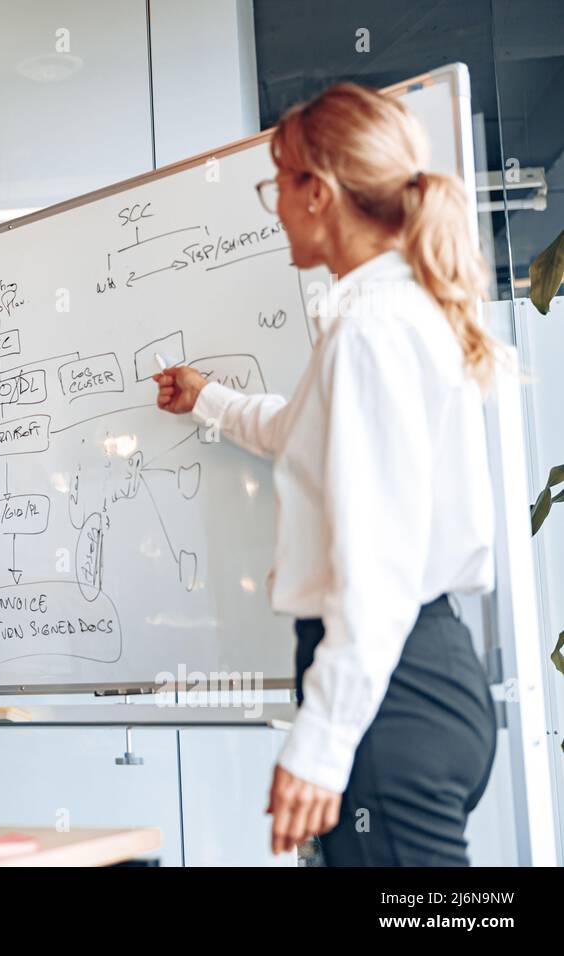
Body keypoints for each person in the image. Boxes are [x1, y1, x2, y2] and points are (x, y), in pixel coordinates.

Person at [153, 83, 499, 865]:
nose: (273, 202)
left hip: (389, 688)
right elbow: (299, 431)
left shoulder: (372, 332)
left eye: (277, 180)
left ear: (320, 192)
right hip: (417, 671)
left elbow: (377, 564)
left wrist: (323, 741)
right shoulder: (389, 316)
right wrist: (210, 400)